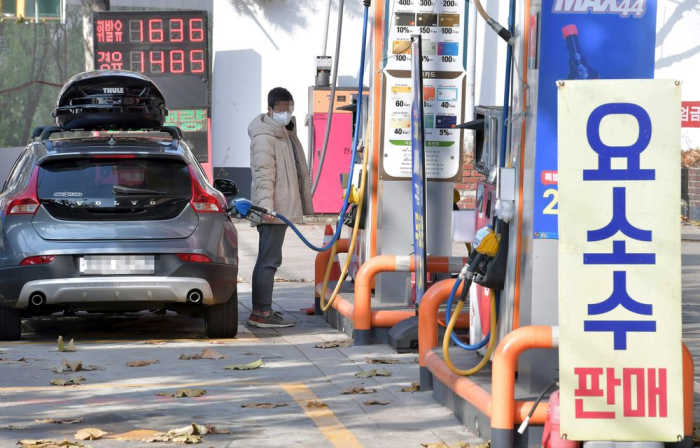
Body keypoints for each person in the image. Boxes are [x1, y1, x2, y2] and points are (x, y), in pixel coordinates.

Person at [247, 87, 314, 328]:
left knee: (269, 259)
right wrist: (266, 208)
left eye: (289, 109)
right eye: (281, 109)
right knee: (269, 260)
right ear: (270, 109)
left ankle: (262, 310)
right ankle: (261, 312)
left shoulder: (284, 132)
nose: (286, 113)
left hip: (280, 208)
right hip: (272, 210)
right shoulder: (265, 137)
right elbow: (264, 175)